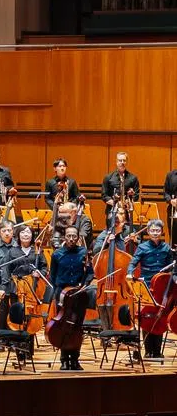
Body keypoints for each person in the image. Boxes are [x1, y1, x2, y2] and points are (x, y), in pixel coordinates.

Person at [49, 225, 94, 371]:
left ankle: (75, 359)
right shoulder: (57, 254)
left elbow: (90, 273)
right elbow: (53, 275)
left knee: (77, 327)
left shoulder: (83, 253)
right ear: (64, 237)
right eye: (69, 236)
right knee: (63, 326)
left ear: (78, 237)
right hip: (62, 294)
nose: (71, 239)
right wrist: (58, 291)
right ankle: (64, 360)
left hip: (79, 293)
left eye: (74, 236)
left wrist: (84, 284)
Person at [127, 218, 171, 360]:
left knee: (160, 315)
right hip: (147, 285)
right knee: (147, 316)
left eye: (158, 230)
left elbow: (171, 266)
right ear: (148, 232)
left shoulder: (166, 248)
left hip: (162, 286)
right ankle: (148, 350)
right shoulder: (142, 247)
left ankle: (157, 351)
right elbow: (133, 262)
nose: (155, 233)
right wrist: (130, 273)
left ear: (162, 232)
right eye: (152, 230)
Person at [102, 152, 141, 222]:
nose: (122, 162)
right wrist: (116, 203)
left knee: (127, 231)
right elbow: (104, 195)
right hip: (112, 210)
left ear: (127, 162)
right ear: (116, 162)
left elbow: (136, 195)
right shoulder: (108, 178)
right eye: (120, 160)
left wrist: (128, 202)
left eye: (124, 160)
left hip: (127, 212)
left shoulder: (133, 178)